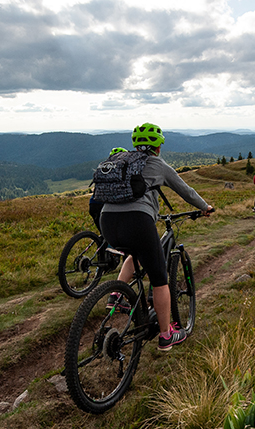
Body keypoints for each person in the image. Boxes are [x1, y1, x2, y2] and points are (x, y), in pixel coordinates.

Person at [99, 123, 213, 351]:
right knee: (160, 280)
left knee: (135, 254)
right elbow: (186, 191)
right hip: (138, 222)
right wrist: (205, 207)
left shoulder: (121, 159)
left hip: (107, 221)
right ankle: (165, 335)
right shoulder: (158, 164)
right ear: (158, 147)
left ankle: (116, 296)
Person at [88, 147, 128, 232]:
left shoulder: (104, 169)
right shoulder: (123, 170)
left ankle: (101, 242)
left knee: (104, 234)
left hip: (93, 204)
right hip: (108, 207)